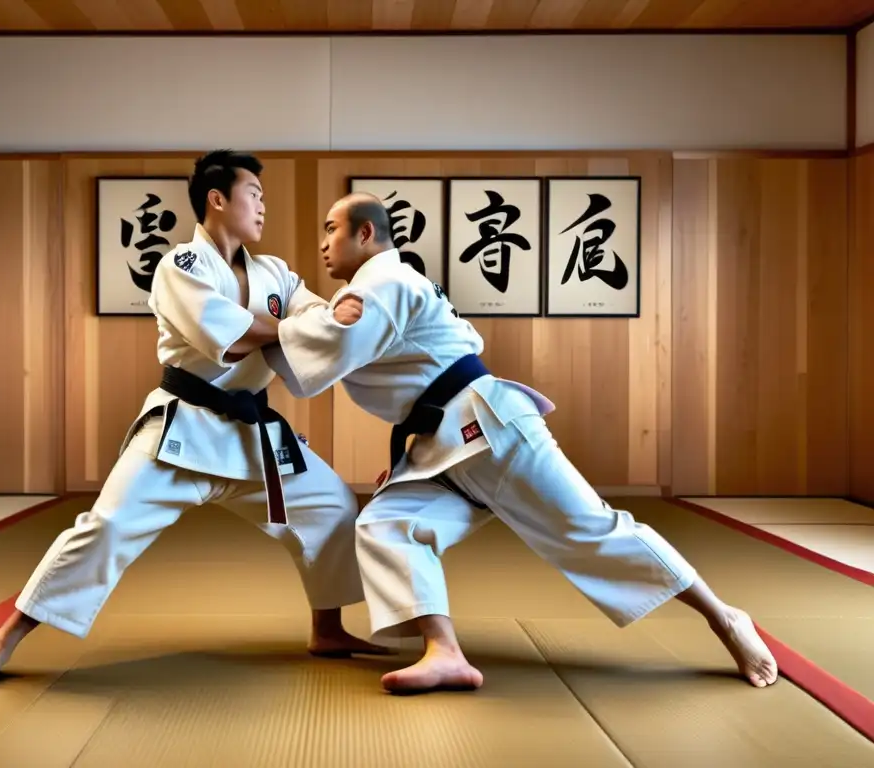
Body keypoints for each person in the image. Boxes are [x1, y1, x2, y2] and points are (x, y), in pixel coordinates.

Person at [260, 191, 779, 695]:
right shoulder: (381, 285)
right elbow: (353, 348)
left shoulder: (384, 281)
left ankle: (724, 616)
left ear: (366, 233)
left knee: (592, 528)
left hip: (488, 428)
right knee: (386, 523)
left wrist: (254, 325)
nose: (324, 243)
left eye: (331, 229)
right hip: (442, 445)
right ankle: (444, 653)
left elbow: (327, 345)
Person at [0, 153, 389, 692]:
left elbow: (323, 321)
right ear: (217, 198)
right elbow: (233, 333)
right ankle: (4, 640)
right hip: (180, 431)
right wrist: (298, 323)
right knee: (105, 528)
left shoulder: (274, 272)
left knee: (332, 505)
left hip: (251, 437)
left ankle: (328, 629)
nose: (262, 205)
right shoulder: (181, 265)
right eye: (253, 192)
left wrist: (333, 314)